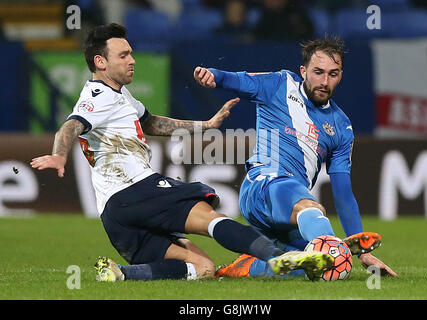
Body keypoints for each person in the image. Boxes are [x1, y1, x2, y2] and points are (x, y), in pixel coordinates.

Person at [30, 23, 334, 282]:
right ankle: (278, 256)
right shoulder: (96, 97)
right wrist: (60, 155)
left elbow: (151, 123)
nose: (132, 60)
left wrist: (207, 124)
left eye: (131, 53)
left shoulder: (120, 97)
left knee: (203, 268)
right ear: (100, 62)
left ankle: (122, 273)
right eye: (123, 55)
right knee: (211, 219)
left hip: (114, 214)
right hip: (137, 190)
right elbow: (69, 127)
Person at [193, 35, 398, 278]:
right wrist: (212, 75)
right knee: (313, 212)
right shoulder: (278, 84)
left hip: (289, 212)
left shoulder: (341, 127)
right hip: (262, 187)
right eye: (318, 72)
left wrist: (363, 253)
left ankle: (249, 267)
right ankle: (332, 244)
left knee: (319, 267)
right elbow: (236, 79)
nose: (324, 81)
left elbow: (343, 192)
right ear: (303, 71)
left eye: (333, 74)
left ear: (340, 75)